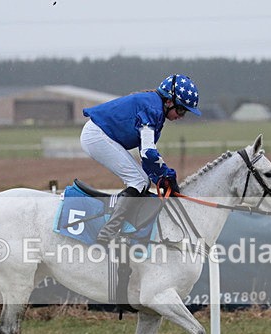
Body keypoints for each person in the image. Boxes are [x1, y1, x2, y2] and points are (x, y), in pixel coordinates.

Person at [80, 74, 202, 243]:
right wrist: (168, 175)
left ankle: (124, 227)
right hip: (96, 136)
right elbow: (148, 152)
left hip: (100, 134)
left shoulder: (156, 109)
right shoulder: (152, 109)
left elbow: (148, 161)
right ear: (168, 101)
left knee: (142, 180)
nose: (181, 116)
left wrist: (161, 179)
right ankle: (107, 234)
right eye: (181, 109)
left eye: (185, 112)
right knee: (138, 181)